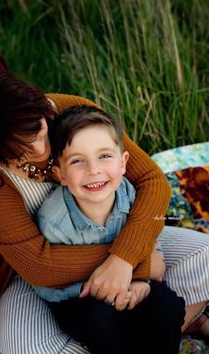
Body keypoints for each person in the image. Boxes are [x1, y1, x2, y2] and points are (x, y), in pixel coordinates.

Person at [0, 29, 208, 353]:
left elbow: (152, 182)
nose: (41, 148)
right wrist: (135, 262)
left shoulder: (66, 111)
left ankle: (149, 330)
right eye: (20, 149)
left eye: (39, 129)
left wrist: (125, 257)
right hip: (42, 281)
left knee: (205, 257)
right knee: (26, 347)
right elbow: (38, 264)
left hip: (119, 230)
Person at [34, 104, 185, 353]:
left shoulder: (128, 192)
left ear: (124, 162)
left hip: (130, 282)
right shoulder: (54, 221)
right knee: (101, 323)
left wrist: (139, 282)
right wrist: (92, 290)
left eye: (104, 156)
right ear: (60, 174)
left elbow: (146, 234)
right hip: (79, 298)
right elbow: (47, 281)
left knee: (168, 307)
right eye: (77, 161)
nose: (94, 170)